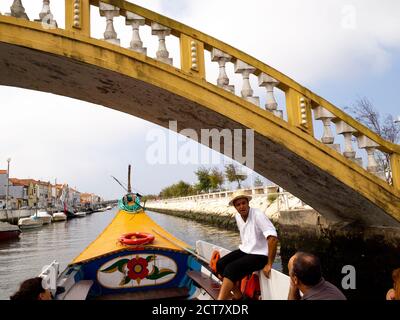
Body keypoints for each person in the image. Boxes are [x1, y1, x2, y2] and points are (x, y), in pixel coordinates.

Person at [216, 190, 278, 300]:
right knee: (220, 264)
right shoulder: (238, 217)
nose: (241, 206)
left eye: (243, 203)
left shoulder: (257, 215)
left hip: (260, 255)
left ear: (248, 203)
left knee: (231, 269)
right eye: (238, 204)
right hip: (246, 250)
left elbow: (272, 238)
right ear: (235, 207)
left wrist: (269, 264)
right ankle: (238, 295)